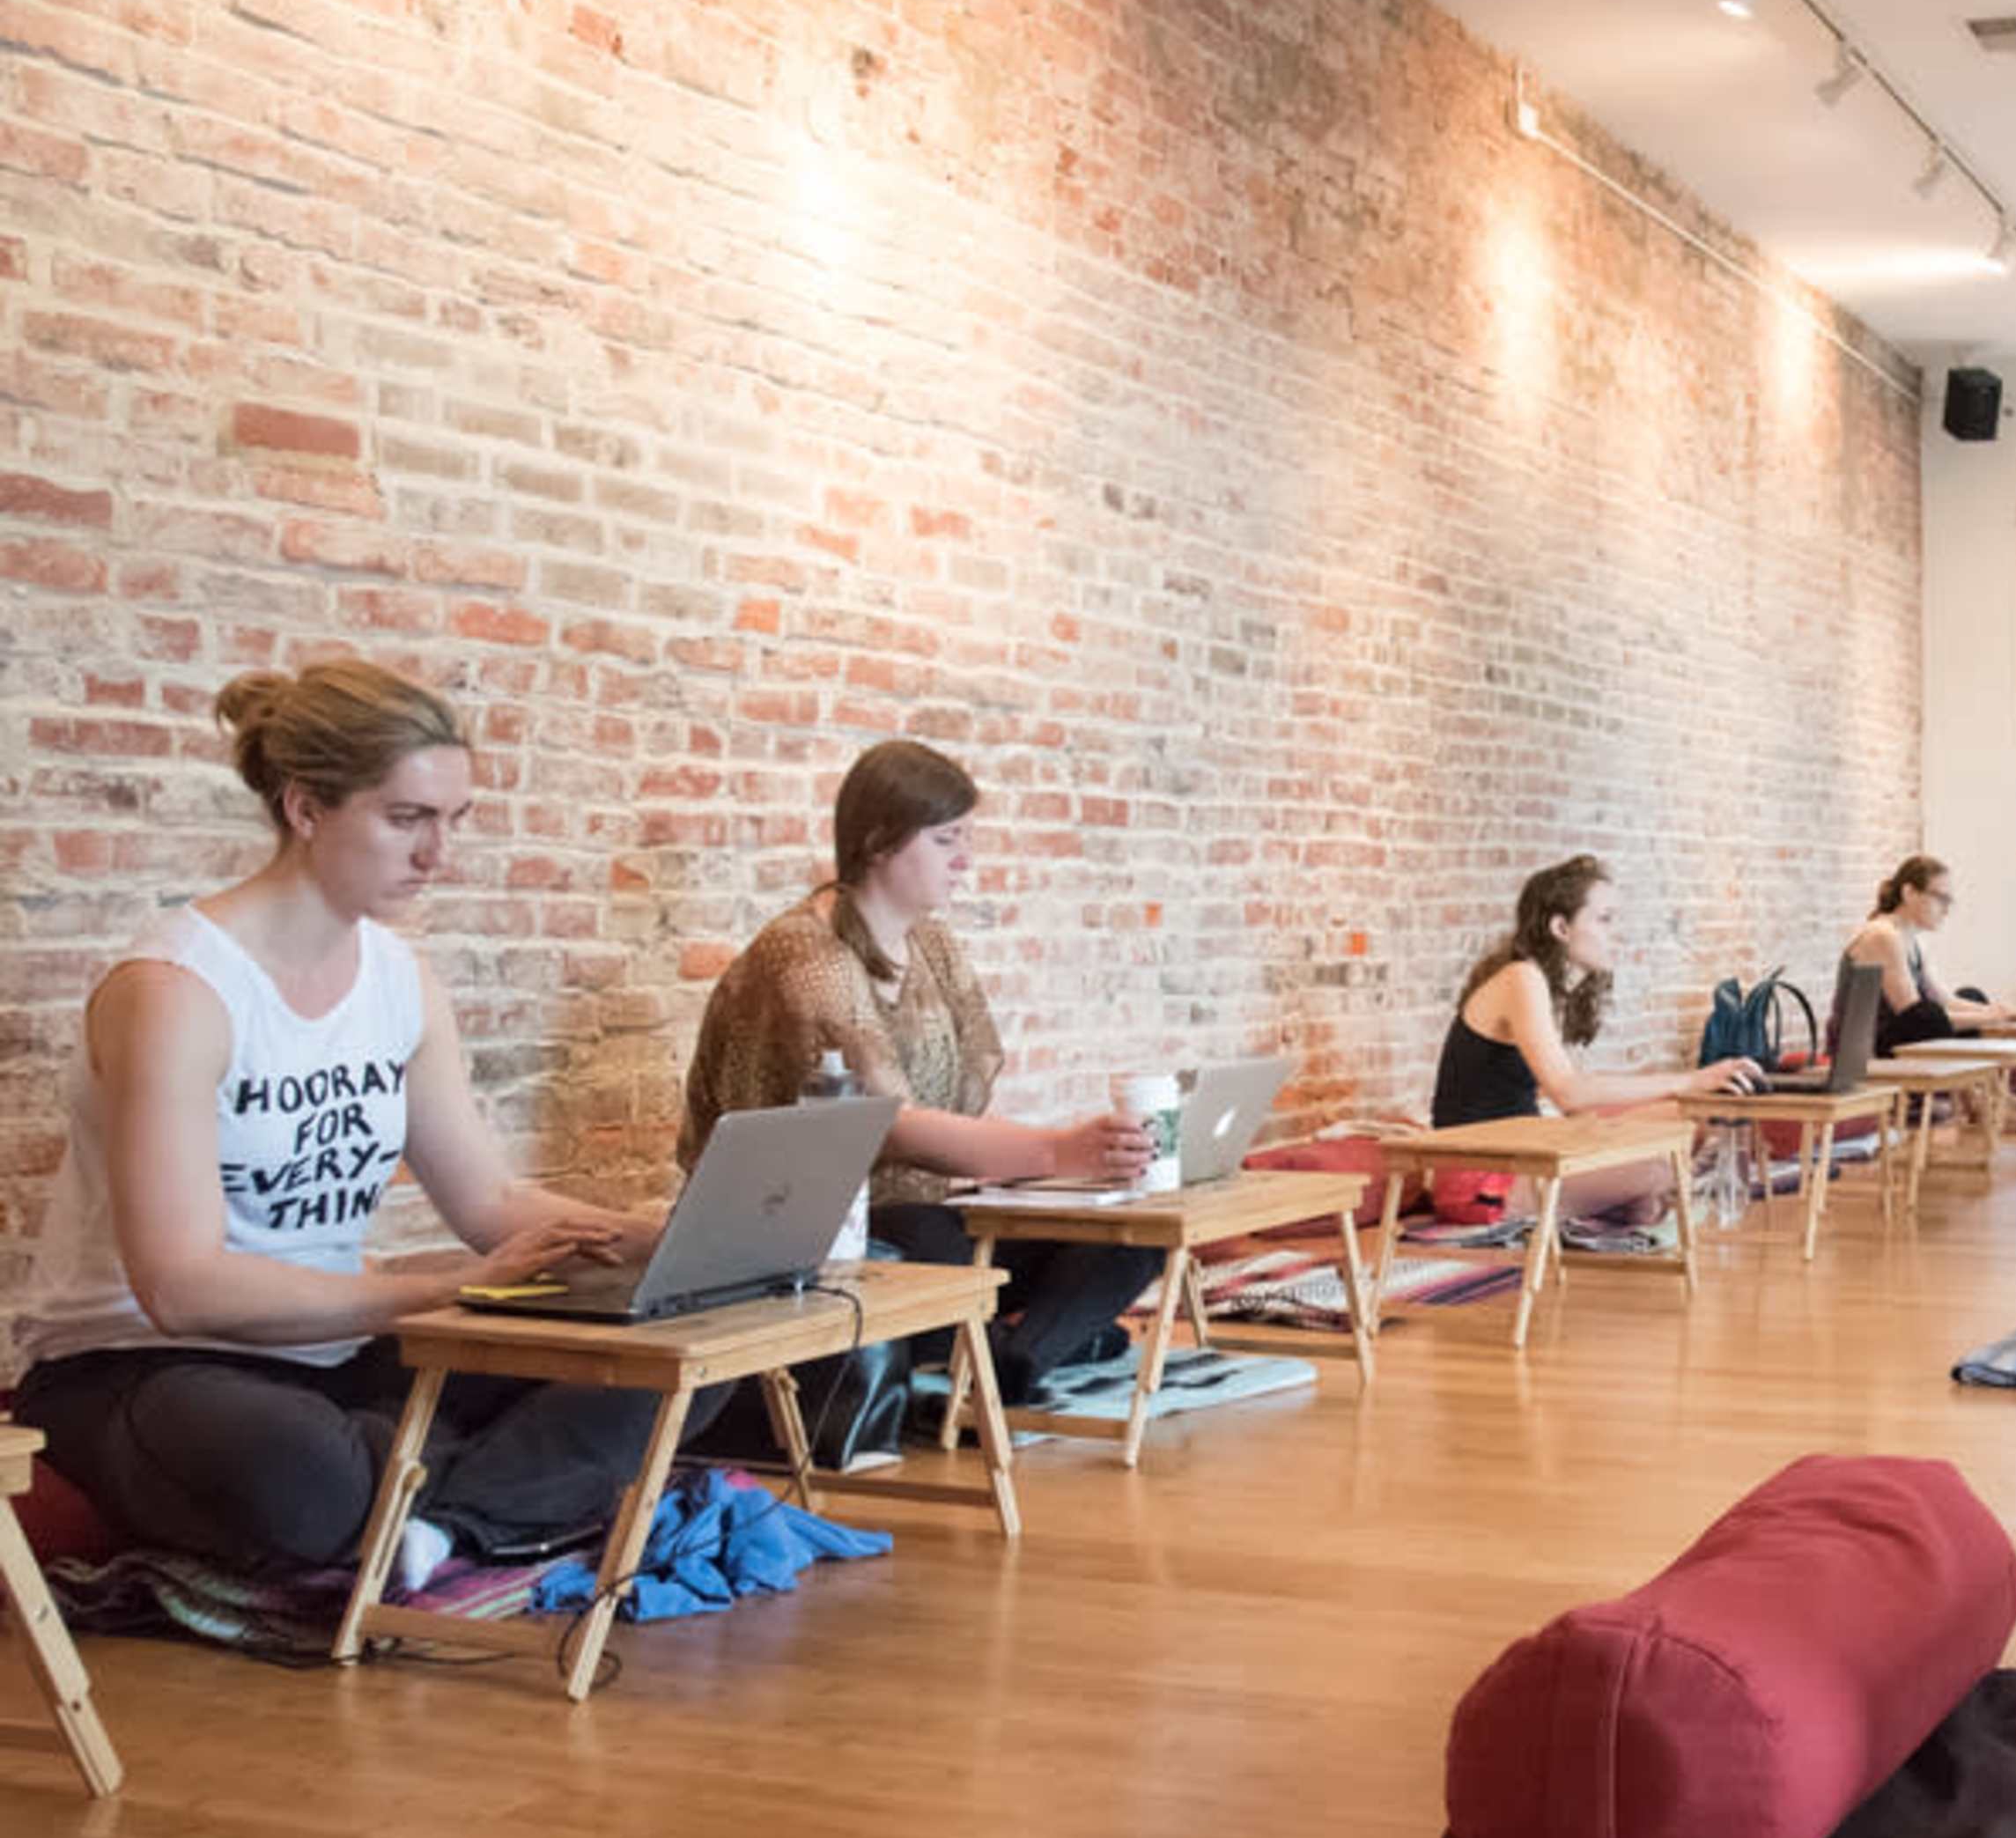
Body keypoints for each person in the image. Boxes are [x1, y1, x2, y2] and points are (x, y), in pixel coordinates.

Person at [11, 662, 683, 1585]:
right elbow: (181, 1288)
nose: (437, 854)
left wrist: (670, 1246)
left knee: (661, 1365)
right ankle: (460, 1492)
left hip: (334, 1350)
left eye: (453, 820)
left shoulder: (400, 980)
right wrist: (444, 1291)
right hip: (144, 1365)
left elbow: (488, 1200)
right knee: (305, 1470)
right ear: (305, 808)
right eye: (407, 818)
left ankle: (432, 1515)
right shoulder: (176, 992)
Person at [680, 740, 1163, 1411]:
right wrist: (1058, 1151)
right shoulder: (805, 956)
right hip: (827, 1229)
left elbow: (965, 1093)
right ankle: (1026, 1344)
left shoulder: (931, 942)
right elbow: (888, 1126)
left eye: (966, 838)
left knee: (1135, 1235)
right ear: (878, 841)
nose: (965, 859)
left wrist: (1058, 1173)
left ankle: (1013, 1358)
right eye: (946, 840)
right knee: (934, 1241)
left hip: (932, 1211)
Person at [1431, 854, 1759, 1219]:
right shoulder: (1521, 978)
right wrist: (1690, 1080)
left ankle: (1638, 1201)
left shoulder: (1546, 989)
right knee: (1657, 1167)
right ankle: (1653, 1193)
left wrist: (1686, 1104)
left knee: (1683, 1121)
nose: (1615, 933)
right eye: (1604, 919)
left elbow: (1573, 1106)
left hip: (1527, 1151)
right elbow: (1569, 1092)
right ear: (1561, 927)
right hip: (1481, 1178)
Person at [1838, 855, 2016, 1056]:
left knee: (1971, 996)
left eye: (1949, 902)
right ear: (1909, 893)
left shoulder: (1912, 941)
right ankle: (1981, 1080)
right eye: (1941, 899)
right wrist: (1991, 1017)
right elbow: (1913, 1016)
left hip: (1898, 1034)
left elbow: (1943, 1000)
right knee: (1928, 1016)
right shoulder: (1881, 935)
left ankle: (1981, 1079)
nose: (1946, 910)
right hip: (1862, 1053)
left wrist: (2004, 1012)